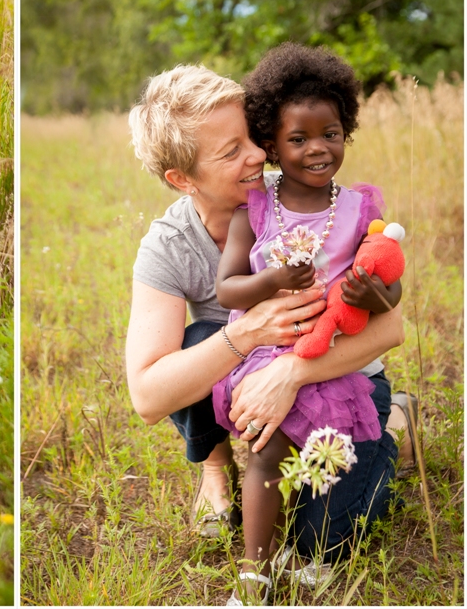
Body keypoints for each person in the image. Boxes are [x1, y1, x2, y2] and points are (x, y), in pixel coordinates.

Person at [125, 63, 414, 602]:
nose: (258, 156)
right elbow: (147, 395)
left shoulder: (309, 195)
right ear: (182, 178)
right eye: (230, 151)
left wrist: (292, 369)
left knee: (323, 534)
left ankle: (393, 421)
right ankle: (215, 473)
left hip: (339, 371)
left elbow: (389, 325)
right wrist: (251, 333)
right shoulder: (169, 246)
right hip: (250, 373)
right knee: (197, 342)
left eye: (254, 138)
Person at [211, 43, 403, 604]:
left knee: (330, 516)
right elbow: (228, 288)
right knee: (267, 450)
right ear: (270, 143)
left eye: (331, 134)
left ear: (346, 132)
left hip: (340, 363)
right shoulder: (257, 209)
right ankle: (254, 574)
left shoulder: (361, 208)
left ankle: (381, 451)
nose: (317, 148)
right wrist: (273, 281)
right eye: (298, 139)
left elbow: (391, 287)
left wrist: (378, 292)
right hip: (275, 356)